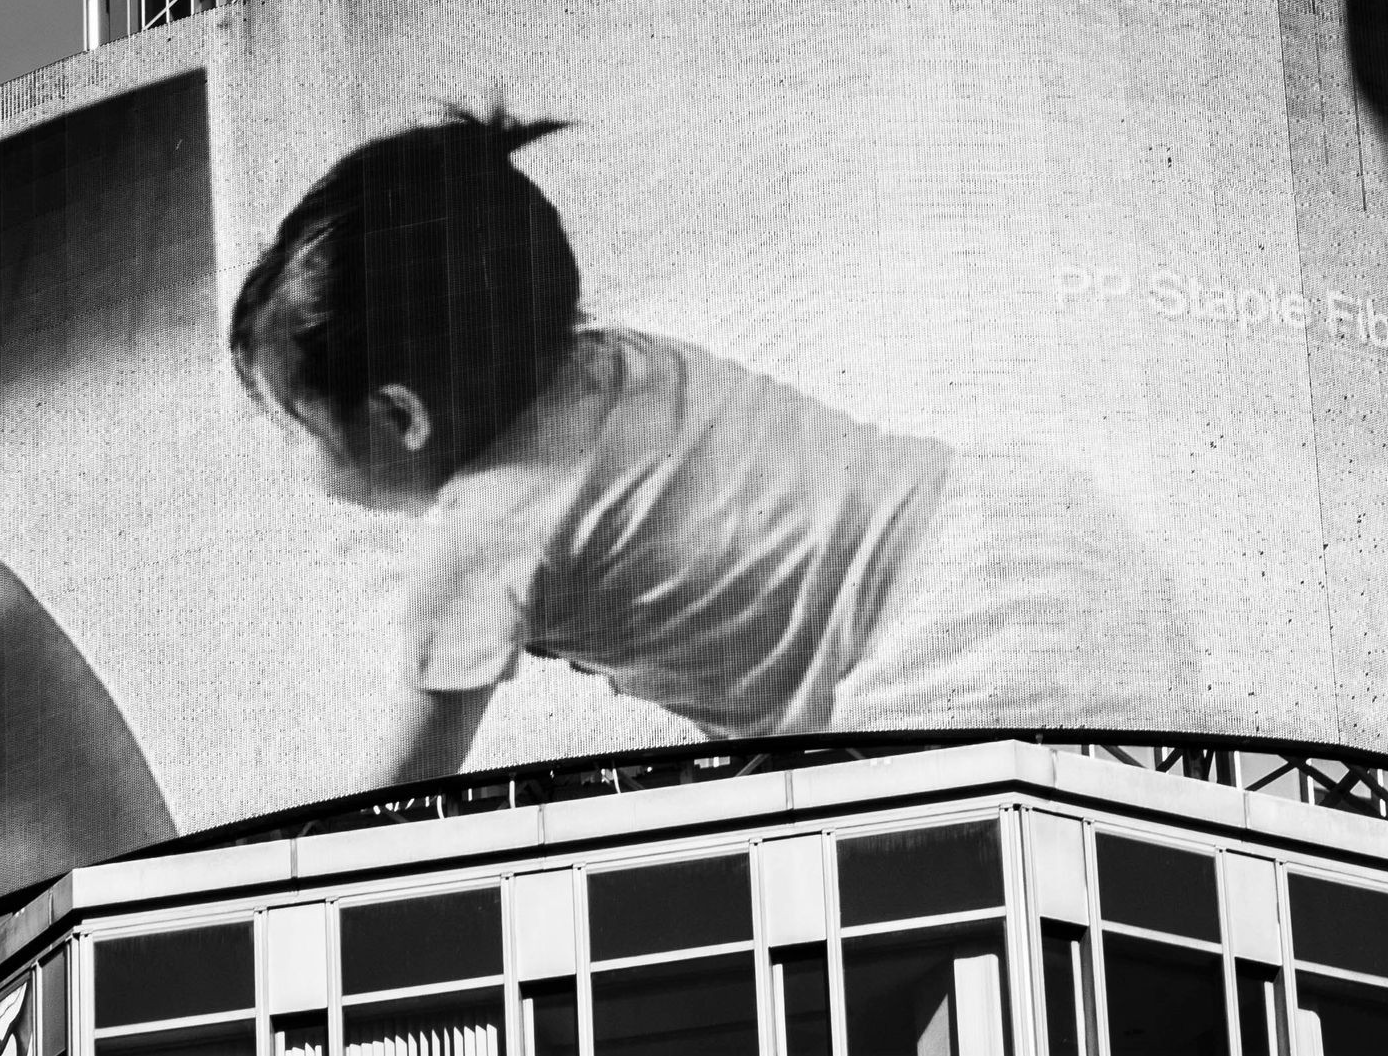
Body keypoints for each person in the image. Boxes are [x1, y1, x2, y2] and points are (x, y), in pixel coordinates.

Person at [231, 109, 1178, 782]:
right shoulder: (621, 362)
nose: (293, 461)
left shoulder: (475, 540)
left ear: (400, 417)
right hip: (1025, 521)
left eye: (294, 426)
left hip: (945, 653)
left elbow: (397, 788)